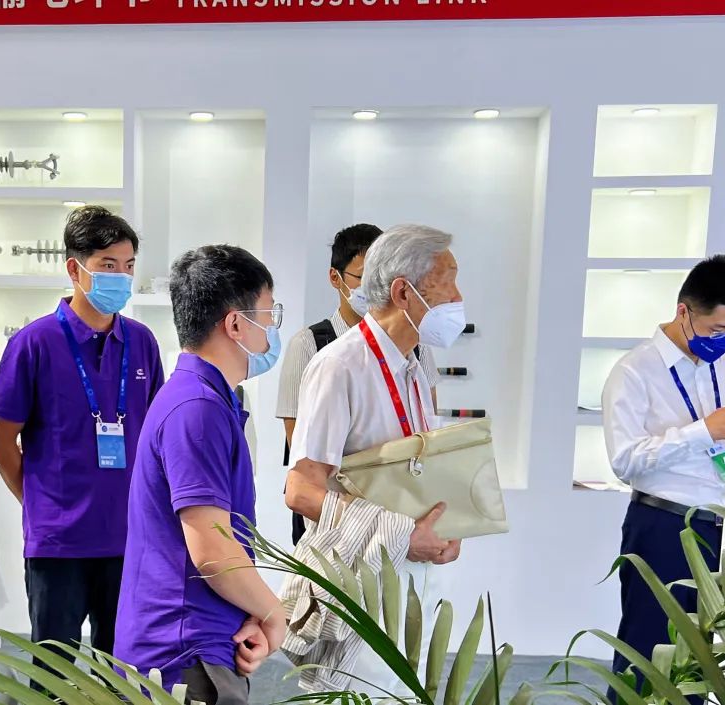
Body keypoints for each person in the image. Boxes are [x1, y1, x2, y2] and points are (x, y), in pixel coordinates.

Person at [285, 224, 464, 696]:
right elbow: (301, 491)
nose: (458, 297)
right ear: (404, 292)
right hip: (361, 584)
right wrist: (403, 533)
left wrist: (445, 528)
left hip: (411, 582)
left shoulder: (414, 367)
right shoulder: (339, 365)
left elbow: (416, 466)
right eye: (448, 281)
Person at [0, 206, 165, 677]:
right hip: (59, 545)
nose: (121, 278)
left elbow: (155, 438)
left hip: (128, 539)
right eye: (108, 265)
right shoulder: (33, 343)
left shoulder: (142, 343)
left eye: (128, 266)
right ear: (75, 269)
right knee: (54, 676)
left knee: (122, 673)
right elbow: (2, 443)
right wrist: (41, 503)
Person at [114, 245, 286, 703]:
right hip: (184, 650)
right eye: (269, 314)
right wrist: (274, 614)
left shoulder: (205, 398)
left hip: (201, 634)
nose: (272, 329)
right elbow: (212, 551)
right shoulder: (197, 408)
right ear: (236, 324)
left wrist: (252, 611)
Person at [602, 254, 725, 700]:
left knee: (704, 661)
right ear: (684, 311)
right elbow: (624, 460)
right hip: (664, 527)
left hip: (724, 529)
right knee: (649, 655)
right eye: (717, 330)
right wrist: (702, 432)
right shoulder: (634, 371)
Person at [276, 223, 440, 544]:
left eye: (383, 275)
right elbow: (302, 450)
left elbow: (427, 432)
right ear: (335, 278)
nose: (375, 286)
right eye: (364, 276)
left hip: (401, 510)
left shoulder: (416, 349)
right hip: (336, 518)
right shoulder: (312, 345)